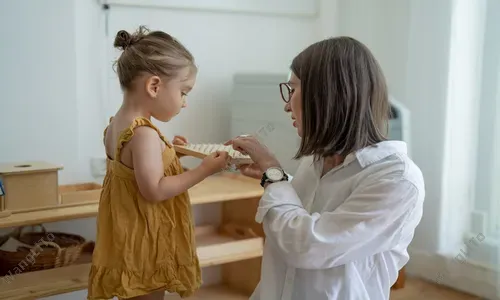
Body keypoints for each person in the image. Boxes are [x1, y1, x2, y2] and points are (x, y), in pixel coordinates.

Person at [226, 36, 425, 300]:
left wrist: (274, 173)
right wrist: (277, 177)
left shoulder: (398, 180)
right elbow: (317, 208)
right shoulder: (317, 159)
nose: (287, 105)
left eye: (293, 90)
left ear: (328, 96)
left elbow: (306, 246)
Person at [87, 26, 231, 300]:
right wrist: (205, 170)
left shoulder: (116, 126)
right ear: (154, 86)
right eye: (184, 92)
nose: (185, 103)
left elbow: (134, 171)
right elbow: (154, 189)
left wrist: (171, 154)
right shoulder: (144, 134)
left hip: (126, 236)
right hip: (147, 241)